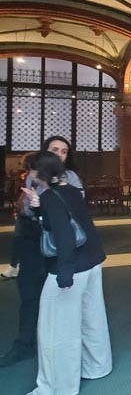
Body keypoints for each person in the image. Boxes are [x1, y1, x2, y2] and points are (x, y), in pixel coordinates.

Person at [23, 151, 111, 395]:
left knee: (55, 330)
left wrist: (65, 273)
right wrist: (39, 208)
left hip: (72, 266)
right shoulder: (70, 190)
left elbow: (64, 235)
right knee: (92, 318)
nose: (28, 175)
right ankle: (97, 366)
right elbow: (70, 223)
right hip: (92, 260)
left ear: (40, 173)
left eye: (30, 170)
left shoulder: (51, 197)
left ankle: (56, 387)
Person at [0, 136, 84, 368]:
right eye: (54, 150)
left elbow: (74, 211)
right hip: (31, 238)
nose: (59, 155)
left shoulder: (71, 178)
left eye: (64, 151)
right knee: (29, 293)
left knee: (59, 294)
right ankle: (24, 344)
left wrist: (43, 202)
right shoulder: (33, 175)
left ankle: (57, 345)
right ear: (45, 152)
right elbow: (25, 207)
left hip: (58, 242)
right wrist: (35, 205)